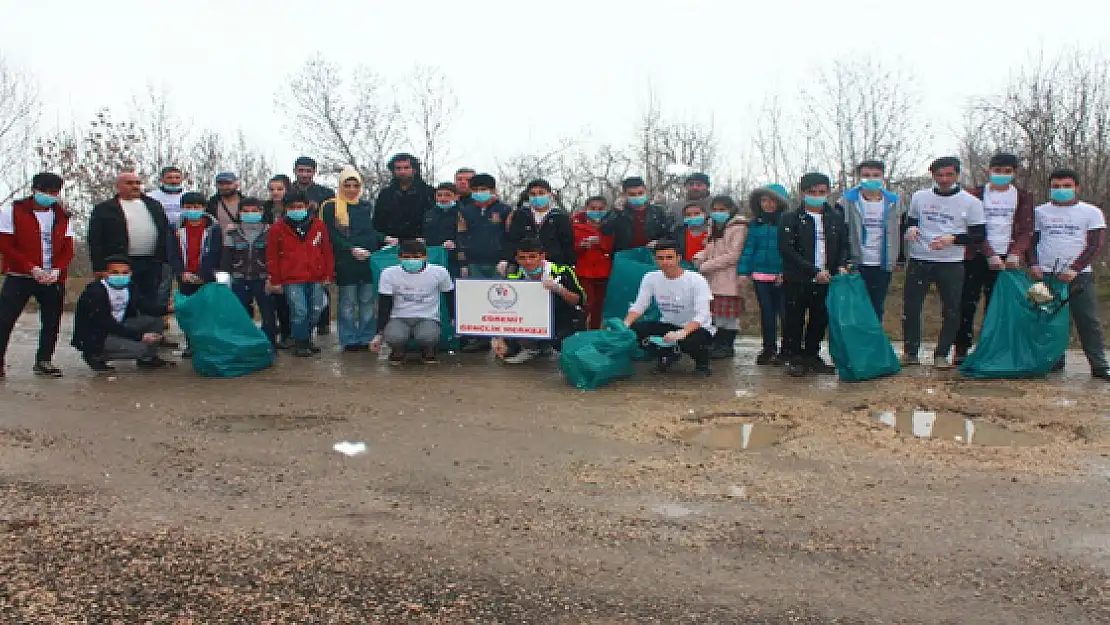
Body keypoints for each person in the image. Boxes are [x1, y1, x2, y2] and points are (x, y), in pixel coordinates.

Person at [903, 157, 986, 369]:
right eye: (939, 175)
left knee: (951, 310)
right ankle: (911, 352)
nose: (944, 179)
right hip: (920, 259)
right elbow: (911, 220)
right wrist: (911, 229)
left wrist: (954, 239)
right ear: (932, 175)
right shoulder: (920, 197)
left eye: (949, 175)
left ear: (957, 175)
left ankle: (942, 353)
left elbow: (978, 235)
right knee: (912, 308)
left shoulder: (971, 202)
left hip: (950, 262)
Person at [955, 153, 1035, 363]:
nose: (1002, 175)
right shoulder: (975, 195)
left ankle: (991, 348)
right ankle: (961, 348)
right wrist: (989, 253)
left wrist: (1016, 252)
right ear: (989, 171)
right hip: (977, 255)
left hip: (1008, 258)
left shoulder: (1023, 196)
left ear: (1014, 173)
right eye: (997, 171)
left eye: (1007, 172)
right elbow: (972, 228)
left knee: (997, 306)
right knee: (967, 303)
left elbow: (1026, 230)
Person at [1031, 168, 1110, 380]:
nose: (1061, 190)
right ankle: (1054, 359)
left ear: (1076, 187)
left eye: (1066, 186)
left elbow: (1095, 244)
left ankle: (1099, 364)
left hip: (1079, 275)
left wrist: (1075, 268)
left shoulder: (1091, 212)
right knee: (1050, 319)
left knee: (1087, 320)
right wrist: (1034, 264)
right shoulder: (1040, 212)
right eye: (1056, 186)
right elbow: (1032, 242)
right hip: (1047, 275)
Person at [0, 173, 74, 378]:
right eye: (45, 191)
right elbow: (6, 245)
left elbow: (68, 248)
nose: (49, 196)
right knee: (5, 319)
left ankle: (44, 360)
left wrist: (57, 269)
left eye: (54, 192)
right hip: (20, 276)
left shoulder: (63, 216)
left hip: (52, 277)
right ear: (34, 190)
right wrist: (31, 267)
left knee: (51, 320)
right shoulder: (12, 212)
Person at [779, 173, 850, 377]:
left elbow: (843, 245)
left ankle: (812, 355)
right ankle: (794, 357)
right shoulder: (790, 218)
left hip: (827, 278)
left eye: (821, 192)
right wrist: (813, 271)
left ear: (828, 192)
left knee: (820, 318)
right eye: (812, 192)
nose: (817, 196)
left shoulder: (835, 218)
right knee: (794, 319)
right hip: (798, 278)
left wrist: (842, 265)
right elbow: (787, 249)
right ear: (802, 193)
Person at [623, 240, 715, 376]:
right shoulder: (650, 277)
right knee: (633, 332)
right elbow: (640, 305)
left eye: (669, 257)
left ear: (678, 258)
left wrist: (681, 333)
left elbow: (702, 315)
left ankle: (702, 363)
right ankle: (667, 355)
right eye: (660, 258)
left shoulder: (696, 280)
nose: (665, 262)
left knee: (691, 342)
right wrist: (625, 324)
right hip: (668, 324)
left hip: (696, 328)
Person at [492, 238, 586, 364]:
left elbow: (579, 300)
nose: (528, 262)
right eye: (522, 258)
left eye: (532, 257)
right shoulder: (513, 275)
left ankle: (548, 346)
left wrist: (559, 289)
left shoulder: (562, 271)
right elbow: (502, 308)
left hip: (560, 318)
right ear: (516, 258)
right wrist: (499, 338)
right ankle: (531, 348)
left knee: (566, 347)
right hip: (528, 318)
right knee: (505, 349)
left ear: (542, 256)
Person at [71, 255, 173, 372]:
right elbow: (105, 322)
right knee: (141, 348)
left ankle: (147, 359)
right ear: (105, 273)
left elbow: (145, 307)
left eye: (125, 272)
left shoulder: (130, 287)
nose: (120, 276)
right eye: (115, 272)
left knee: (155, 320)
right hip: (98, 335)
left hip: (120, 325)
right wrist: (139, 337)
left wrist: (168, 309)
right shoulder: (94, 292)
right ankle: (95, 356)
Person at [88, 172, 175, 306]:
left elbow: (165, 232)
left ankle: (148, 324)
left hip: (152, 262)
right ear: (118, 186)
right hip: (121, 264)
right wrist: (99, 267)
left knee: (150, 298)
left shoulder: (154, 205)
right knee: (123, 299)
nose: (134, 186)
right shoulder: (105, 209)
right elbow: (95, 239)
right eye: (129, 183)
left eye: (137, 183)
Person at [266, 190, 334, 357]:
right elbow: (272, 256)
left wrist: (328, 273)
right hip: (291, 278)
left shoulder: (318, 225)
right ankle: (300, 341)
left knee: (316, 310)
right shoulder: (277, 229)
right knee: (299, 311)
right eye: (292, 207)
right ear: (285, 208)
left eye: (300, 206)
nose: (296, 210)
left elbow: (326, 250)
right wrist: (275, 280)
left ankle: (307, 337)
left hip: (316, 276)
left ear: (307, 206)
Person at [320, 168, 381, 352]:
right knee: (347, 302)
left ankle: (366, 337)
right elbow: (329, 233)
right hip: (345, 261)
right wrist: (350, 248)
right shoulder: (331, 206)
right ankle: (348, 339)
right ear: (340, 186)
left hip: (366, 260)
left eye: (355, 185)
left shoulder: (364, 206)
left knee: (367, 302)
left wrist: (384, 238)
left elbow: (369, 232)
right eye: (347, 185)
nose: (352, 189)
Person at [371, 240, 456, 365]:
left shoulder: (440, 272)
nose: (412, 260)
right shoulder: (388, 273)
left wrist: (454, 318)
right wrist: (378, 334)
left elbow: (449, 296)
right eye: (406, 257)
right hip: (399, 317)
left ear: (425, 257)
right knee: (394, 337)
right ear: (399, 258)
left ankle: (428, 350)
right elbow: (384, 304)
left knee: (428, 336)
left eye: (417, 257)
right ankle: (397, 350)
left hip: (428, 317)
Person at [839, 160, 904, 322]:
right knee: (856, 307)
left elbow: (900, 231)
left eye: (876, 175)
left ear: (883, 177)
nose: (871, 179)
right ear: (859, 177)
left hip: (883, 263)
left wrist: (900, 257)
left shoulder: (894, 202)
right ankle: (856, 343)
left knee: (877, 307)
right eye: (866, 175)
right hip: (857, 262)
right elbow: (840, 233)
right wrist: (843, 260)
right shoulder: (846, 201)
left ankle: (873, 343)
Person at [455, 173, 513, 353]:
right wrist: (463, 263)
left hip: (498, 263)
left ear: (493, 190)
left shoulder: (505, 210)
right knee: (477, 301)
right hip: (474, 262)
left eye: (484, 190)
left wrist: (506, 259)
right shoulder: (465, 211)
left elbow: (510, 236)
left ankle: (503, 339)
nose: (480, 193)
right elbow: (461, 236)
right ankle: (479, 338)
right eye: (476, 190)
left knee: (500, 301)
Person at [739, 184, 789, 365]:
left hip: (782, 277)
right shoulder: (755, 224)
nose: (768, 204)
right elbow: (749, 248)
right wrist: (743, 272)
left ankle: (787, 349)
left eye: (772, 200)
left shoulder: (787, 222)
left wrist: (785, 271)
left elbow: (790, 250)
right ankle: (768, 348)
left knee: (785, 314)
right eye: (764, 200)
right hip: (760, 276)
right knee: (767, 314)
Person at [218, 197, 278, 347]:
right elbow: (226, 258)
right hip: (239, 278)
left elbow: (275, 256)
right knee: (240, 313)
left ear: (261, 212)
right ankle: (242, 343)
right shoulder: (233, 232)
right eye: (246, 211)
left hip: (263, 278)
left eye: (254, 211)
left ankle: (269, 344)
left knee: (268, 313)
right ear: (239, 212)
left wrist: (274, 278)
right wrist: (223, 281)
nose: (250, 213)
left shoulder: (270, 231)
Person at [694, 195, 747, 359]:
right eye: (715, 210)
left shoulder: (738, 227)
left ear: (731, 210)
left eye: (722, 210)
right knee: (715, 313)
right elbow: (711, 248)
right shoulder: (713, 225)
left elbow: (734, 255)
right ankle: (716, 344)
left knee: (728, 316)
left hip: (729, 276)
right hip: (713, 276)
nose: (718, 213)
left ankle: (727, 345)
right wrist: (699, 257)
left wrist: (707, 265)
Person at [292, 157, 337, 336]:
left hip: (319, 239)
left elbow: (333, 218)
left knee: (321, 285)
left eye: (308, 171)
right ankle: (297, 329)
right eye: (301, 170)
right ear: (295, 171)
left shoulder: (324, 193)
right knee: (296, 289)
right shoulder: (289, 190)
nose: (304, 174)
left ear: (314, 172)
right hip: (294, 241)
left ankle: (323, 322)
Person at [173, 192, 220, 357]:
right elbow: (172, 253)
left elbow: (215, 253)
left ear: (204, 208)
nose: (193, 210)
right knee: (189, 311)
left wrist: (203, 274)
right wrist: (180, 272)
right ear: (182, 208)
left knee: (207, 311)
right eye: (188, 207)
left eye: (196, 207)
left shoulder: (214, 229)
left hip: (206, 277)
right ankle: (191, 343)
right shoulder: (175, 228)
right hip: (185, 277)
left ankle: (208, 344)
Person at [506, 178, 576, 266]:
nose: (537, 197)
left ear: (550, 195)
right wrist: (508, 260)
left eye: (541, 193)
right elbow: (512, 241)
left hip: (553, 265)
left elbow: (567, 245)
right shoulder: (520, 215)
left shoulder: (560, 217)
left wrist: (570, 265)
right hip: (525, 265)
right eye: (533, 194)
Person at [571, 196, 616, 329]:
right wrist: (582, 245)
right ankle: (580, 332)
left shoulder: (611, 226)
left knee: (600, 307)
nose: (596, 211)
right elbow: (570, 247)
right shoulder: (575, 226)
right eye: (593, 208)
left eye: (600, 209)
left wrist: (600, 241)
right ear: (586, 209)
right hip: (584, 271)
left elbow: (614, 246)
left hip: (605, 271)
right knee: (585, 304)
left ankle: (595, 332)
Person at [262, 174, 294, 347]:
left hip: (288, 258)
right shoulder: (264, 209)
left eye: (279, 189)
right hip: (267, 256)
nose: (275, 193)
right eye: (272, 189)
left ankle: (289, 333)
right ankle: (270, 333)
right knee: (270, 298)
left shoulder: (294, 208)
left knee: (287, 300)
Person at [373, 153, 435, 241]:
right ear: (393, 171)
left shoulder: (429, 192)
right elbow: (377, 223)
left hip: (422, 246)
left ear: (414, 170)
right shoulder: (385, 194)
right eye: (398, 168)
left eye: (406, 168)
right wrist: (384, 238)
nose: (402, 171)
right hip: (391, 246)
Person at [608, 176, 672, 251]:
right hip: (626, 257)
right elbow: (605, 231)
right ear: (624, 195)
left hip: (654, 256)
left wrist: (659, 242)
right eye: (632, 194)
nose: (637, 196)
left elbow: (669, 235)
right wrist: (616, 211)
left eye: (640, 193)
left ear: (645, 191)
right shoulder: (619, 213)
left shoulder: (658, 211)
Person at [423, 182, 462, 276]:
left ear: (456, 197)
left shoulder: (462, 213)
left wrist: (455, 243)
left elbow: (468, 236)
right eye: (439, 195)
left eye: (447, 195)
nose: (443, 199)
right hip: (433, 258)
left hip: (455, 260)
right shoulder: (429, 214)